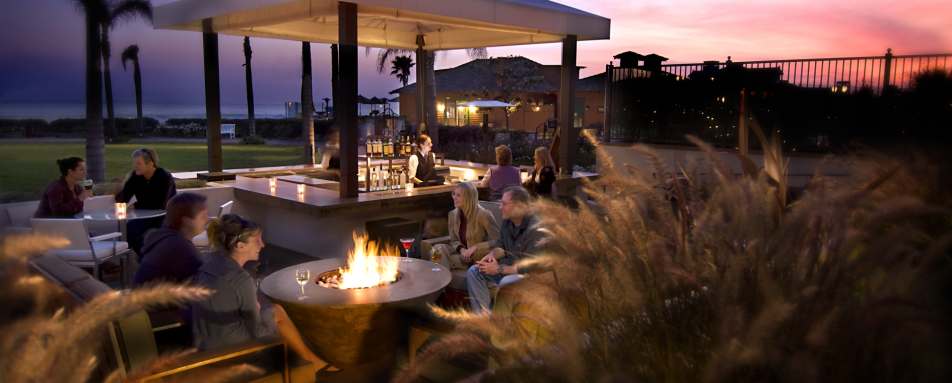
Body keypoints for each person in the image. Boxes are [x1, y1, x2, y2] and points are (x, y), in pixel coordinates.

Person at [191, 214, 336, 372]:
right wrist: (277, 330)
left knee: (275, 311)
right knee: (279, 318)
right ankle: (311, 361)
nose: (263, 245)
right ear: (240, 246)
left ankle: (309, 356)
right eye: (257, 241)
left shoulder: (210, 261)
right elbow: (258, 332)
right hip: (228, 353)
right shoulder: (240, 279)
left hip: (204, 343)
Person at [466, 186, 549, 312]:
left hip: (530, 275)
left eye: (504, 204)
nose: (500, 208)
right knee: (474, 271)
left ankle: (499, 325)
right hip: (509, 267)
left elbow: (529, 267)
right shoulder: (507, 221)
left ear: (519, 205)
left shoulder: (535, 229)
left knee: (507, 281)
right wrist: (492, 256)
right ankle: (483, 320)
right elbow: (501, 245)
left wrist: (497, 269)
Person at [133, 193, 208, 286]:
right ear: (187, 221)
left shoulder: (164, 238)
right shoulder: (180, 247)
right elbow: (204, 286)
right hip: (155, 299)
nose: (206, 220)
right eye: (202, 216)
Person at [431, 182, 500, 272]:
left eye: (458, 195)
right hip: (461, 253)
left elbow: (498, 240)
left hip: (477, 255)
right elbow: (453, 240)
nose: (454, 198)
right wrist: (462, 250)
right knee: (436, 250)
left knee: (441, 261)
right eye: (454, 194)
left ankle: (441, 279)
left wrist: (475, 247)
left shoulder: (483, 214)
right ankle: (441, 280)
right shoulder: (452, 214)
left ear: (469, 198)